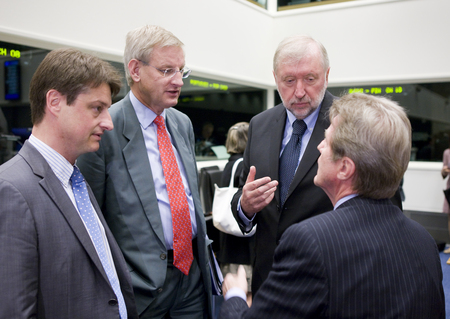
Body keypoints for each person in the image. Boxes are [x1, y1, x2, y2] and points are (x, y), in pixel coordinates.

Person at [220, 93, 446, 319]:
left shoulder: (310, 242)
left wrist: (236, 296)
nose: (318, 147)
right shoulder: (424, 241)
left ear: (345, 168)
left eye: (326, 140)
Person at [77, 25, 212, 319]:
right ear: (135, 70)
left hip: (192, 279)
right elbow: (90, 220)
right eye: (167, 71)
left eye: (181, 71)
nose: (178, 81)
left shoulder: (182, 123)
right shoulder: (105, 127)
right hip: (141, 290)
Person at [0, 48, 138, 318]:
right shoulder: (12, 190)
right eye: (97, 108)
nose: (108, 123)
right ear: (54, 102)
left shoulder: (75, 180)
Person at [230, 34, 335, 295]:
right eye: (289, 80)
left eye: (310, 79)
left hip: (327, 279)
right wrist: (245, 206)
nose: (299, 91)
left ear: (326, 75)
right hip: (269, 277)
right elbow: (244, 191)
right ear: (276, 78)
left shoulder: (348, 123)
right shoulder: (259, 124)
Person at [217, 122, 255, 306]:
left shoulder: (228, 165)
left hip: (228, 244)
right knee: (245, 295)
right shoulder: (243, 166)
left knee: (232, 294)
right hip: (242, 246)